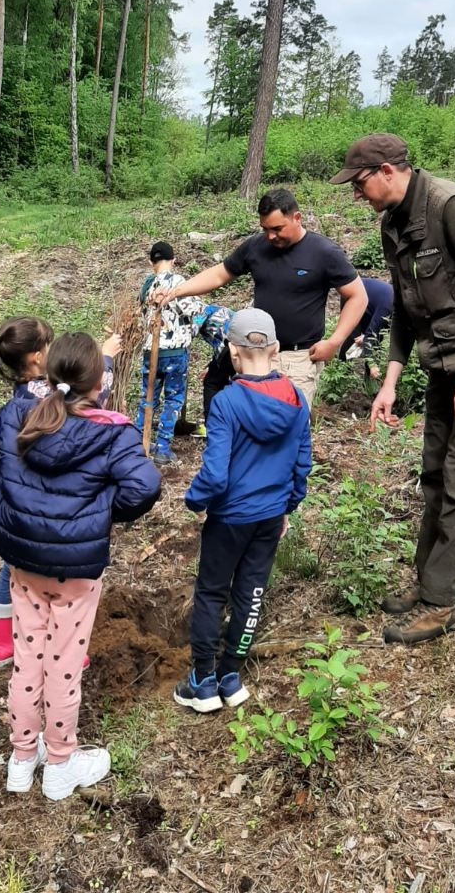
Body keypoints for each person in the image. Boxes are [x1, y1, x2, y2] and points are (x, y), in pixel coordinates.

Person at [331, 134, 455, 645]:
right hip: (445, 363)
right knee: (435, 473)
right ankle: (428, 583)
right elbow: (404, 306)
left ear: (388, 171)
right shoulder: (392, 224)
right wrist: (390, 381)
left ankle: (442, 604)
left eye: (359, 183)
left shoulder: (453, 209)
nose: (357, 194)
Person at [0, 333, 160, 800]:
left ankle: (22, 760)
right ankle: (61, 763)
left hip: (25, 565)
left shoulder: (22, 412)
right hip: (75, 574)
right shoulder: (112, 430)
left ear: (50, 374)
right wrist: (98, 514)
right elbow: (144, 488)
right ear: (99, 380)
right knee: (63, 667)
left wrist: (9, 496)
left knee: (27, 661)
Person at [174, 308, 312, 712]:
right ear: (276, 349)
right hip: (271, 515)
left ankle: (202, 681)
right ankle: (231, 675)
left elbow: (216, 473)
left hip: (231, 516)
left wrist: (195, 501)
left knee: (212, 591)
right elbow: (303, 461)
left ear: (233, 352)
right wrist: (289, 505)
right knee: (251, 590)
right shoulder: (295, 398)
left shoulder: (227, 402)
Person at [0, 316, 120, 667]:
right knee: (47, 575)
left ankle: (5, 642)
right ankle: (59, 649)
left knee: (14, 564)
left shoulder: (24, 393)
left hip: (23, 499)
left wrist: (0, 486)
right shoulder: (41, 394)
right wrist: (103, 360)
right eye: (49, 347)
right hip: (48, 499)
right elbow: (93, 393)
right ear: (35, 359)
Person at [157, 189, 367, 412]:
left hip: (298, 358)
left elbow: (357, 296)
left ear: (297, 218)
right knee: (253, 424)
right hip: (257, 354)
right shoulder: (256, 247)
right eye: (265, 229)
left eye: (277, 229)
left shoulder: (323, 252)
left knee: (288, 426)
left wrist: (334, 342)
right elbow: (220, 274)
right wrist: (176, 291)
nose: (271, 236)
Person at [134, 242, 203, 464]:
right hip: (174, 351)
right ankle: (162, 447)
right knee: (173, 398)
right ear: (173, 261)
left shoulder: (146, 285)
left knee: (148, 396)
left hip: (150, 351)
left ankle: (136, 441)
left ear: (151, 262)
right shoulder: (179, 282)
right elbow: (196, 308)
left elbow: (139, 314)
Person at [339, 276, 394, 381]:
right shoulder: (388, 306)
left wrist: (366, 336)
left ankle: (368, 379)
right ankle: (342, 370)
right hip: (353, 294)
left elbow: (378, 332)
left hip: (371, 303)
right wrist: (372, 364)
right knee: (353, 337)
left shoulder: (398, 310)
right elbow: (371, 335)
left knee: (376, 339)